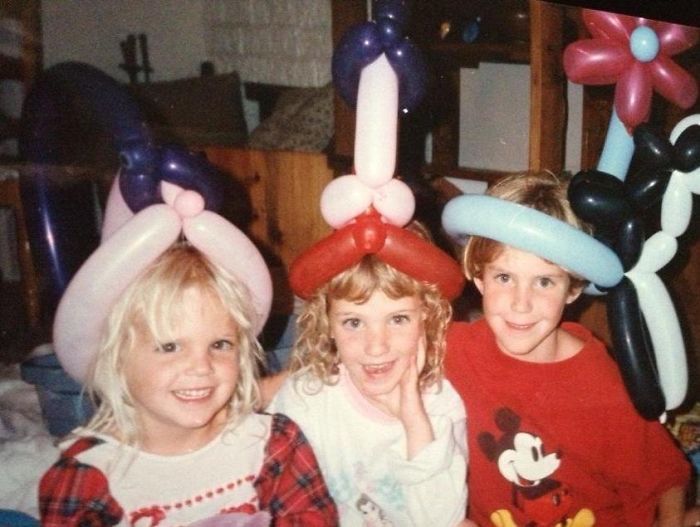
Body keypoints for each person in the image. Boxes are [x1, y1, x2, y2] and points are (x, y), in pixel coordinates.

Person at [442, 171, 694, 526]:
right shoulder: (454, 349)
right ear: (477, 275)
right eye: (504, 277)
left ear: (573, 288)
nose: (521, 304)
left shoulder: (601, 381)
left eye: (544, 281)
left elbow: (666, 477)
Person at [39, 242, 338, 526]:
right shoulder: (88, 475)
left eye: (220, 344)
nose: (201, 366)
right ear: (117, 359)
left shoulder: (272, 445)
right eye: (170, 347)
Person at [266, 209, 473, 527]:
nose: (376, 346)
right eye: (353, 322)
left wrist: (414, 421)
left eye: (398, 319)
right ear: (327, 324)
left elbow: (444, 520)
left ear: (427, 320)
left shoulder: (441, 404)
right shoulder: (305, 399)